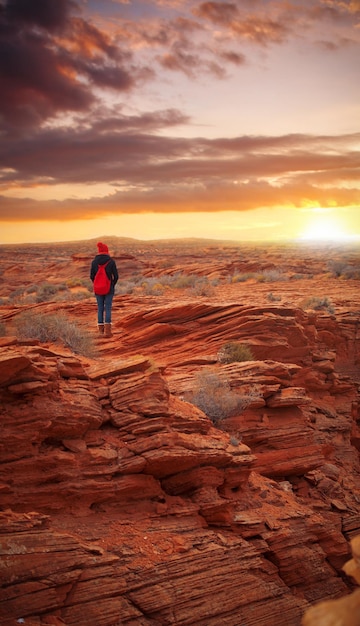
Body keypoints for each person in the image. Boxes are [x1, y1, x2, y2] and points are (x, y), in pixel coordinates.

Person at [90, 242, 118, 337]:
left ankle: (100, 332)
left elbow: (91, 276)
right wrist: (112, 284)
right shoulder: (111, 261)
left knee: (100, 308)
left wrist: (97, 283)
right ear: (107, 250)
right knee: (108, 307)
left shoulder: (94, 262)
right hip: (108, 288)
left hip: (98, 289)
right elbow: (116, 276)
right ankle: (108, 332)